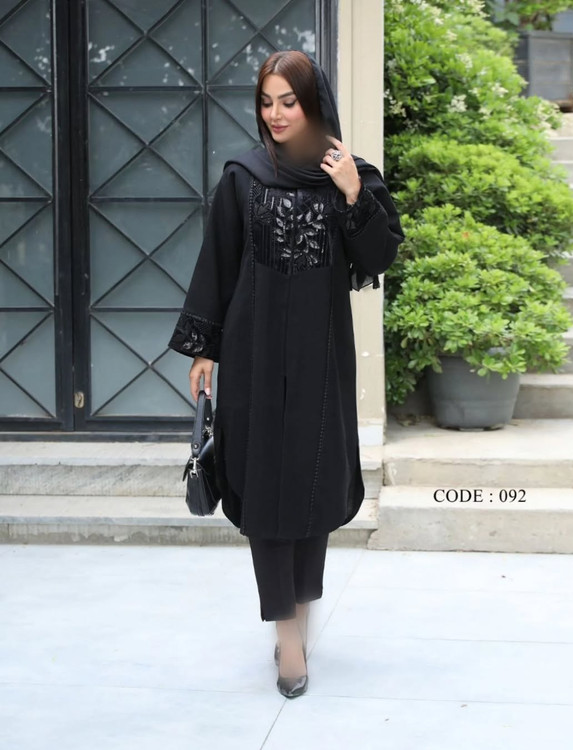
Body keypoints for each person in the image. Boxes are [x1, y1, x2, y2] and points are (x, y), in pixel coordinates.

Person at [168, 50, 405, 698]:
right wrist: (203, 349)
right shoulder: (243, 177)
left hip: (320, 358)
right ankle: (288, 638)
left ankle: (299, 611)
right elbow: (218, 263)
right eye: (266, 102)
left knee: (312, 482)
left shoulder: (349, 173)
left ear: (313, 103)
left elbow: (379, 255)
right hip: (253, 357)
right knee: (266, 488)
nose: (275, 114)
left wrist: (353, 193)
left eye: (288, 102)